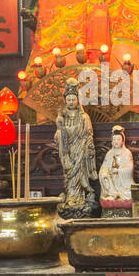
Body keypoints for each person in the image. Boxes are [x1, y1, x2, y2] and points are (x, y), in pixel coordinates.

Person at [55, 79, 98, 218]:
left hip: (80, 149)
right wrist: (60, 130)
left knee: (79, 174)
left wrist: (88, 146)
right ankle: (70, 197)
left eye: (74, 99)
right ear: (65, 100)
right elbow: (58, 135)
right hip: (68, 150)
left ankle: (80, 198)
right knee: (69, 175)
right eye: (69, 99)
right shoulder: (62, 118)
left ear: (78, 100)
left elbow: (88, 134)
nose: (71, 101)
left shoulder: (84, 117)